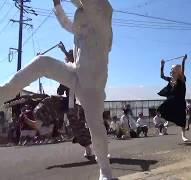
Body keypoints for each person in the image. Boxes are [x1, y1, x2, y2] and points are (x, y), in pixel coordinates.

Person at [0, 0, 114, 179]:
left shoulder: (103, 19)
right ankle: (4, 92)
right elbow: (66, 24)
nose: (78, 26)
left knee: (95, 125)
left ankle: (105, 171)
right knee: (42, 62)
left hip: (92, 85)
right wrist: (57, 4)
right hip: (76, 73)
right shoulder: (82, 26)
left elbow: (89, 4)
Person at [157, 55, 189, 142]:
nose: (172, 72)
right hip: (172, 100)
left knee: (182, 119)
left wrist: (183, 61)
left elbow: (183, 71)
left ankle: (183, 135)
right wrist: (162, 65)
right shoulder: (171, 80)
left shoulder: (182, 79)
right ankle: (165, 122)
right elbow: (162, 76)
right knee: (163, 107)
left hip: (180, 101)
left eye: (173, 70)